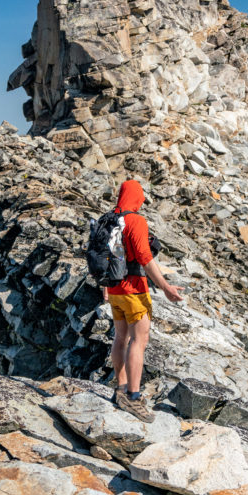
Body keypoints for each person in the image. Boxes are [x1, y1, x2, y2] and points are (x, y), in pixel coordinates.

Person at [104, 179, 183, 421]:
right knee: (139, 340)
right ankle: (134, 397)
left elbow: (101, 255)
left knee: (120, 337)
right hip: (135, 290)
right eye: (141, 198)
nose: (141, 203)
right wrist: (166, 286)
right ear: (136, 197)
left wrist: (105, 288)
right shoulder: (135, 220)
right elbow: (145, 258)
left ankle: (121, 386)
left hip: (115, 289)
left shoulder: (107, 220)